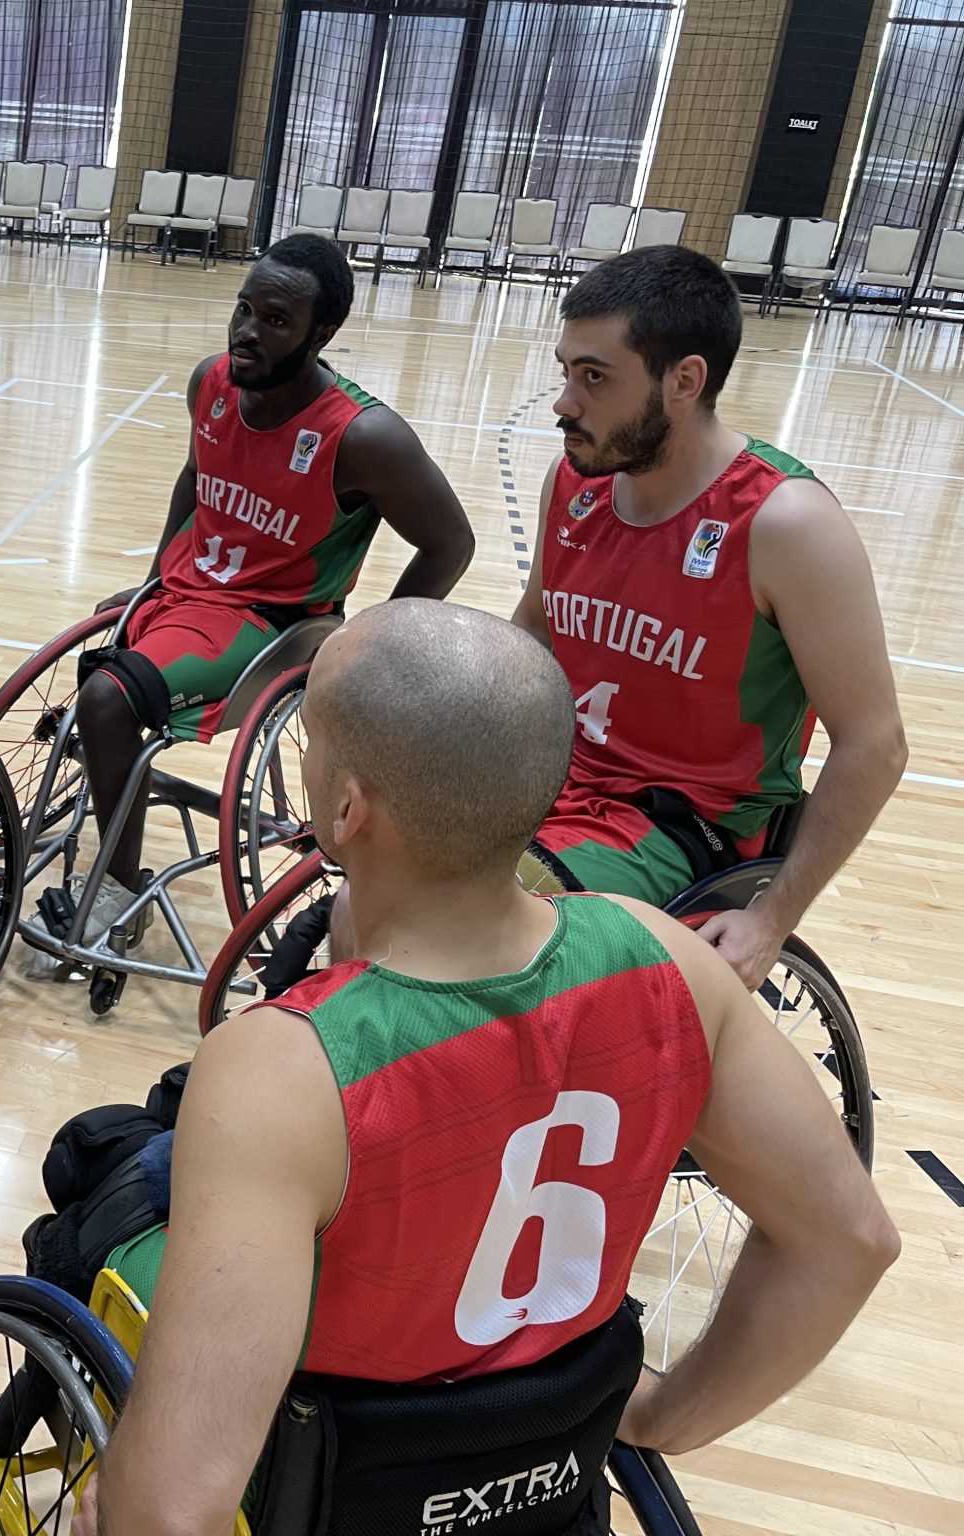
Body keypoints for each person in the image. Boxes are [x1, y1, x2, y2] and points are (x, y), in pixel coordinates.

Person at [78, 600, 898, 1535]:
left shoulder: (281, 1067)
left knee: (102, 1199)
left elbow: (171, 1510)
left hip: (343, 1489)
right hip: (551, 1481)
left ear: (344, 808)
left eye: (311, 741)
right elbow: (849, 1240)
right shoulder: (669, 957)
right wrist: (668, 1417)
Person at [46, 234, 473, 959]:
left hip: (272, 622)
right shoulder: (211, 383)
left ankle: (117, 890)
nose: (247, 331)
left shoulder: (364, 436)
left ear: (320, 334)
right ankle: (111, 799)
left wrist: (374, 641)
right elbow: (194, 476)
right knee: (100, 663)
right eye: (244, 309)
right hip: (191, 591)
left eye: (275, 320)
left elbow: (450, 543)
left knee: (107, 701)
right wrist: (155, 576)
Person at [511, 245, 907, 988]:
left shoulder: (787, 524)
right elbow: (533, 629)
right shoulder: (573, 482)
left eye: (594, 377)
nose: (564, 402)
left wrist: (772, 919)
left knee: (485, 921)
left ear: (684, 381)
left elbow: (875, 744)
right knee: (377, 863)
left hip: (688, 826)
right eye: (565, 371)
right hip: (558, 777)